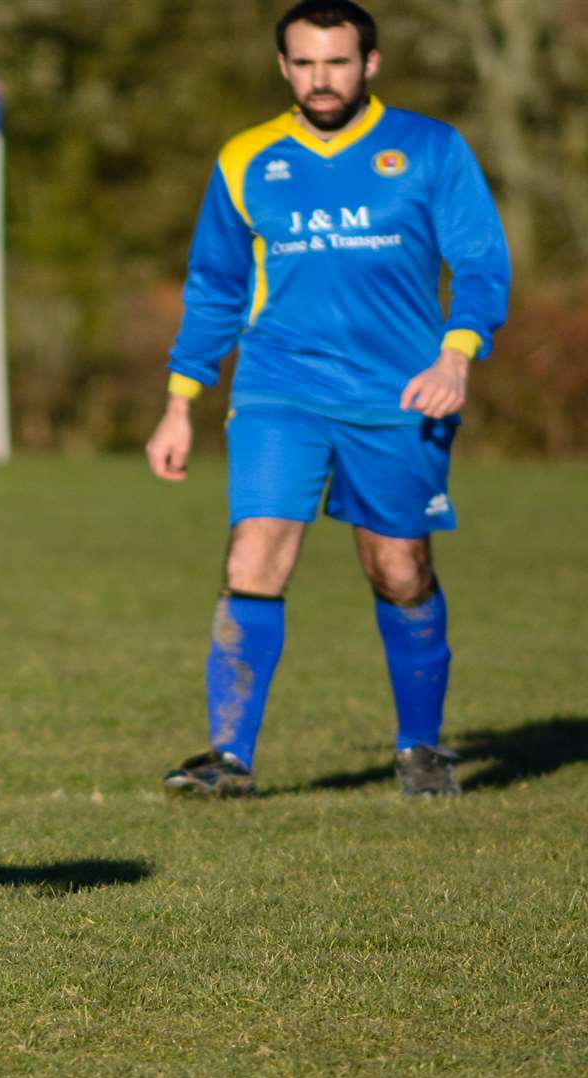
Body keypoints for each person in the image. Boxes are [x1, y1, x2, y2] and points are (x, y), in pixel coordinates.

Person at [146, 0, 509, 798]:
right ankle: (229, 759)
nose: (320, 79)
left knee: (400, 570)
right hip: (281, 388)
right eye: (304, 63)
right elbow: (214, 286)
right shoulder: (247, 157)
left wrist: (458, 356)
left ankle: (420, 748)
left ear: (369, 64)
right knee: (255, 554)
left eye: (337, 62)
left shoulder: (430, 148)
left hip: (400, 395)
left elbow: (481, 264)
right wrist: (181, 399)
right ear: (283, 66)